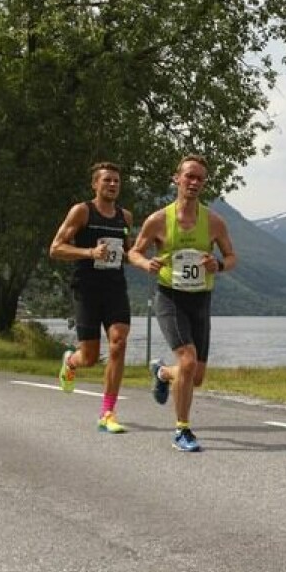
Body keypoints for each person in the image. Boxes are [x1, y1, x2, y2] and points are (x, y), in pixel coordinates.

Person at [127, 154, 237, 452]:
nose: (194, 182)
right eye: (189, 176)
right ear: (177, 179)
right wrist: (146, 263)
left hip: (201, 299)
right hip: (170, 297)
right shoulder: (158, 220)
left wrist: (218, 265)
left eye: (200, 178)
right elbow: (134, 252)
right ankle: (182, 430)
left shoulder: (214, 222)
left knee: (195, 376)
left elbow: (231, 257)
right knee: (187, 361)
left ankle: (163, 373)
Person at [49, 161, 134, 434]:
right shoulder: (82, 211)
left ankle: (107, 412)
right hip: (86, 289)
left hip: (115, 288)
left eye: (116, 181)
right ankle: (70, 362)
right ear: (95, 184)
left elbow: (127, 252)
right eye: (107, 180)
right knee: (89, 357)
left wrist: (147, 258)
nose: (113, 184)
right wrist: (89, 253)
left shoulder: (125, 217)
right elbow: (56, 248)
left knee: (118, 343)